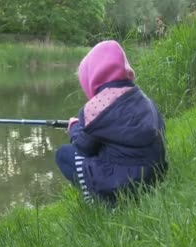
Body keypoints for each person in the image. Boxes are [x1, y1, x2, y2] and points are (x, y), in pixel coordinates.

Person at [55, 40, 168, 203]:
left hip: (123, 184)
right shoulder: (144, 99)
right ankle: (132, 195)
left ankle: (102, 201)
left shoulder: (94, 108)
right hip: (155, 177)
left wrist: (74, 127)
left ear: (91, 78)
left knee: (64, 154)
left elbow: (82, 147)